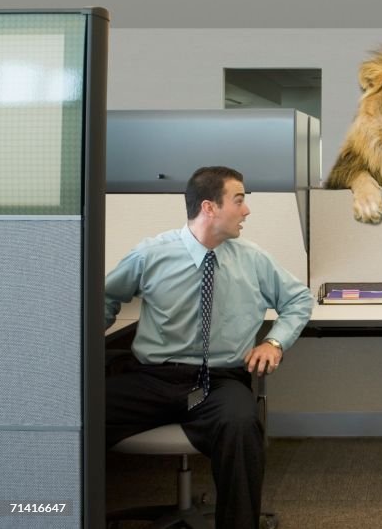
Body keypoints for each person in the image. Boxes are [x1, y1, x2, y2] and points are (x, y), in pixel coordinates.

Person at [105, 166, 314, 529]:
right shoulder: (151, 254)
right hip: (154, 377)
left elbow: (299, 299)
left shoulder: (252, 258)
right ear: (209, 207)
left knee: (241, 425)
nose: (246, 210)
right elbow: (105, 299)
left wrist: (274, 342)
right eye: (239, 200)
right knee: (73, 415)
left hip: (219, 382)